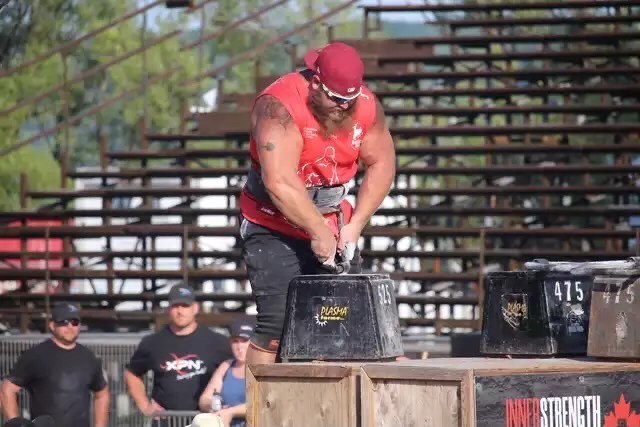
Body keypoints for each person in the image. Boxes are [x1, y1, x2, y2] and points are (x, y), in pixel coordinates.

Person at [239, 41, 396, 364]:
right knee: (276, 326)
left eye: (348, 100)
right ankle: (261, 411)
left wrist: (354, 226)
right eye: (334, 98)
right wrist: (317, 231)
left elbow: (383, 163)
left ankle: (338, 407)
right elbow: (279, 181)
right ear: (315, 83)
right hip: (273, 223)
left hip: (332, 216)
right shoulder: (278, 108)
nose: (342, 107)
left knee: (346, 323)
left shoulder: (365, 105)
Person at [124, 284, 232, 425]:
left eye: (185, 305)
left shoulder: (217, 342)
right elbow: (132, 373)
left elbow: (235, 371)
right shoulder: (152, 342)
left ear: (195, 308)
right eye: (175, 306)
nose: (180, 311)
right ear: (168, 309)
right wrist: (145, 405)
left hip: (203, 421)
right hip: (166, 421)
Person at [0, 303, 109, 427]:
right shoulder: (35, 356)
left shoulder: (90, 358)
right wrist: (16, 424)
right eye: (64, 322)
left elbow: (102, 394)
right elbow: (7, 389)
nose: (70, 326)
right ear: (52, 325)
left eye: (74, 322)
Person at [198, 319, 254, 427]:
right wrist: (213, 405)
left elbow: (264, 403)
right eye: (235, 341)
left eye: (244, 341)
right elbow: (204, 399)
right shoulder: (226, 366)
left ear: (254, 342)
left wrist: (231, 412)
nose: (239, 347)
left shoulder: (264, 367)